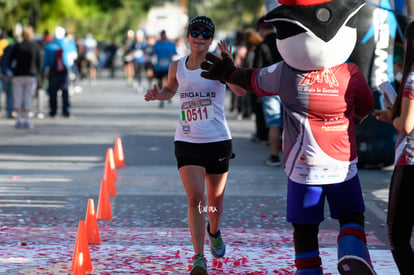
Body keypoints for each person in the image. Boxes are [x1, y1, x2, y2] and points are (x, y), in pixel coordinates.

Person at [200, 1, 376, 274]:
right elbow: (365, 106)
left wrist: (228, 71)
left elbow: (252, 80)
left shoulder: (285, 73)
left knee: (305, 228)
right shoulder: (350, 73)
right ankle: (352, 250)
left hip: (303, 169)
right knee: (351, 216)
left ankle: (308, 269)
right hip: (343, 165)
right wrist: (353, 117)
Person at [144, 16, 245, 275]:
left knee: (215, 202)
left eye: (205, 33)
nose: (200, 37)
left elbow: (240, 91)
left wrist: (229, 65)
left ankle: (214, 231)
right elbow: (170, 90)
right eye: (195, 32)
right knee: (196, 199)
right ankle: (199, 257)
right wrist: (159, 95)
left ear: (211, 39)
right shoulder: (177, 66)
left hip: (218, 141)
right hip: (187, 140)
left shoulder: (218, 64)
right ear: (188, 36)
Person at [372, 20, 414, 275]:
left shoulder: (412, 78)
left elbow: (407, 125)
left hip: (409, 163)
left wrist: (393, 117)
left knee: (397, 236)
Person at [254, 16, 283, 166]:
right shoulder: (283, 42)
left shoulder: (262, 46)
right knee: (292, 123)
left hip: (269, 88)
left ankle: (274, 156)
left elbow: (257, 69)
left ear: (261, 29)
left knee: (274, 123)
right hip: (287, 84)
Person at [8, 25, 42, 129]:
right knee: (28, 96)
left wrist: (13, 70)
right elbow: (39, 62)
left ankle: (18, 119)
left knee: (17, 97)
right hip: (30, 75)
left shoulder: (17, 46)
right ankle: (26, 119)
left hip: (18, 75)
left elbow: (9, 61)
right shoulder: (35, 46)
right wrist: (37, 72)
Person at [42, 26, 72, 118]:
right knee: (65, 91)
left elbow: (46, 61)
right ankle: (65, 110)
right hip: (64, 71)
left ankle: (53, 111)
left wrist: (43, 70)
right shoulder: (67, 45)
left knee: (53, 91)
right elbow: (71, 59)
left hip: (53, 71)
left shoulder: (50, 47)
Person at [150, 30, 177, 108]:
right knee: (160, 83)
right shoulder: (157, 44)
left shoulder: (171, 44)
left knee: (166, 81)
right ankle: (163, 97)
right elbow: (151, 52)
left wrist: (172, 54)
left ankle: (167, 95)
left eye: (164, 35)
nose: (163, 37)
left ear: (165, 35)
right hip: (159, 67)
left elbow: (175, 52)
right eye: (161, 35)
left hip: (168, 66)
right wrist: (153, 52)